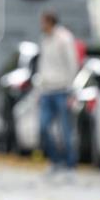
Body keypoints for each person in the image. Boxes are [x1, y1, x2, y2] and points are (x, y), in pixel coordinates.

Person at [35, 10, 79, 174]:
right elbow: (42, 64)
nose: (41, 26)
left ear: (50, 22)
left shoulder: (64, 39)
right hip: (47, 90)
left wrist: (70, 86)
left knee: (65, 129)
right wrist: (40, 87)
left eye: (44, 22)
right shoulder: (44, 40)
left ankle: (70, 164)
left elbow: (72, 62)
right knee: (43, 127)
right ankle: (55, 160)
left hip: (62, 90)